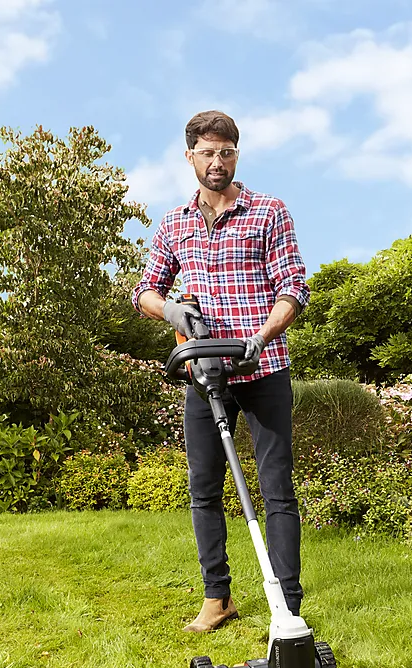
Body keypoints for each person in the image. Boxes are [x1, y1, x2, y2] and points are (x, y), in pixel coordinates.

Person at [132, 110, 310, 633]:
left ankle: (287, 604)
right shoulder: (174, 223)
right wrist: (170, 310)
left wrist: (262, 336)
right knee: (204, 488)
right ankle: (218, 598)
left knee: (277, 488)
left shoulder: (269, 212)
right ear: (190, 156)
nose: (218, 162)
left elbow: (293, 288)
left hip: (263, 368)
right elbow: (145, 290)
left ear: (237, 155)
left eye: (226, 152)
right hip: (205, 375)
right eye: (208, 153)